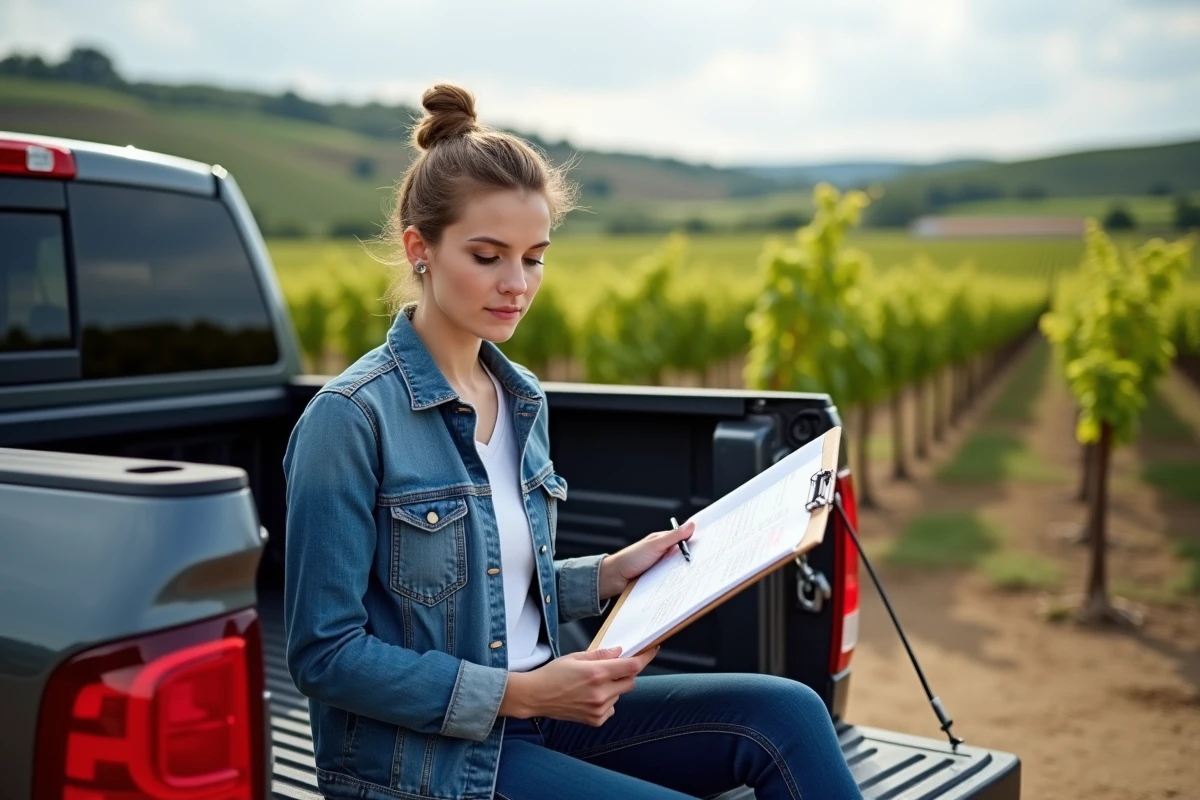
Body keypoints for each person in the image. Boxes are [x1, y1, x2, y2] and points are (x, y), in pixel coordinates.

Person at [282, 82, 861, 800]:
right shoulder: (351, 419)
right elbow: (326, 654)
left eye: (534, 257)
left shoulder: (521, 397)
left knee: (789, 713)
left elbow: (483, 588)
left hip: (538, 718)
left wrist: (611, 573)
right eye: (488, 256)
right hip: (427, 763)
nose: (517, 284)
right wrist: (526, 695)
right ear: (419, 248)